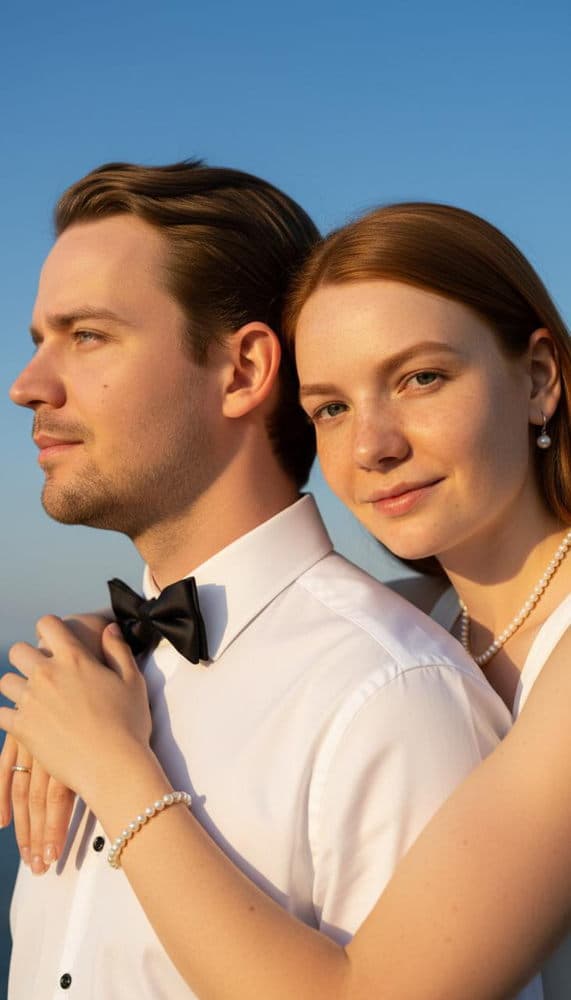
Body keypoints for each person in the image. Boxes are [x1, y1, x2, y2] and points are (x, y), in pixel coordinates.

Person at [0, 166, 510, 1000]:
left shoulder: (391, 696)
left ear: (241, 371)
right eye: (38, 340)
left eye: (86, 336)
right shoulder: (81, 684)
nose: (27, 386)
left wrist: (114, 769)